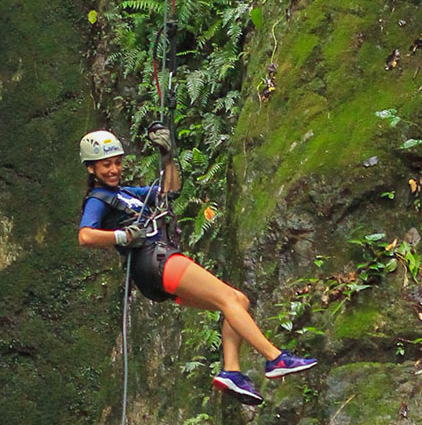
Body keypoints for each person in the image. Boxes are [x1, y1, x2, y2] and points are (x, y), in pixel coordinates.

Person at [77, 126, 317, 405]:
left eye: (117, 162)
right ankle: (275, 358)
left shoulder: (127, 193)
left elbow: (170, 190)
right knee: (228, 298)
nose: (114, 169)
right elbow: (85, 236)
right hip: (154, 259)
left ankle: (232, 372)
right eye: (106, 165)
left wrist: (167, 156)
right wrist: (123, 236)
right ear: (91, 169)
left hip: (155, 266)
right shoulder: (98, 199)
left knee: (238, 300)